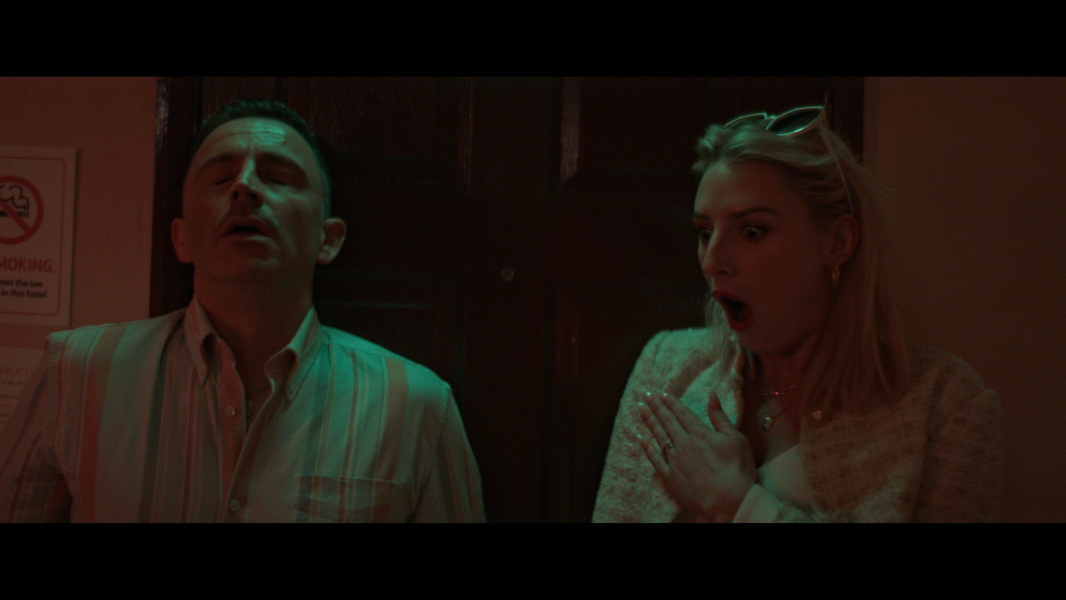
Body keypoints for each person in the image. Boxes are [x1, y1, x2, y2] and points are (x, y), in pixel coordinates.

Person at [0, 99, 485, 522]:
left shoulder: (416, 405)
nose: (245, 187)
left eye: (278, 177)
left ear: (328, 239)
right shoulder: (74, 373)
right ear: (181, 238)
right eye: (220, 178)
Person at [592, 106, 1002, 522]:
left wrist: (740, 506)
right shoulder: (665, 367)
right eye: (705, 232)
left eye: (751, 232)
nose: (713, 261)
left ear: (837, 242)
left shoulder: (943, 402)